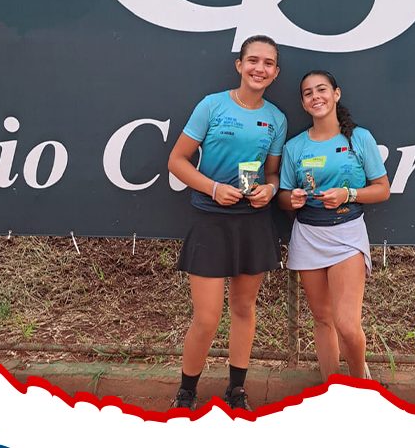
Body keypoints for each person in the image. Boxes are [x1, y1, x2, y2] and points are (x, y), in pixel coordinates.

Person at [167, 35, 286, 410]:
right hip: (210, 219)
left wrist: (270, 190)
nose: (259, 68)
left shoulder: (276, 119)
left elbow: (272, 173)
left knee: (244, 309)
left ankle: (236, 390)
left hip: (252, 222)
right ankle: (186, 392)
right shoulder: (212, 105)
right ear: (239, 65)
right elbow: (177, 162)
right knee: (206, 317)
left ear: (275, 72)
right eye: (253, 60)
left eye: (268, 63)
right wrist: (214, 189)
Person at [278, 70, 390, 380]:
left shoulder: (359, 138)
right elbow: (283, 196)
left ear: (336, 94)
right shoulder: (294, 147)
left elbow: (382, 189)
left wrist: (348, 194)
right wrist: (292, 199)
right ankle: (332, 388)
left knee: (347, 325)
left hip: (347, 233)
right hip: (308, 235)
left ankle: (359, 384)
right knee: (323, 319)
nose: (316, 97)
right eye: (308, 93)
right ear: (303, 103)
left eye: (322, 90)